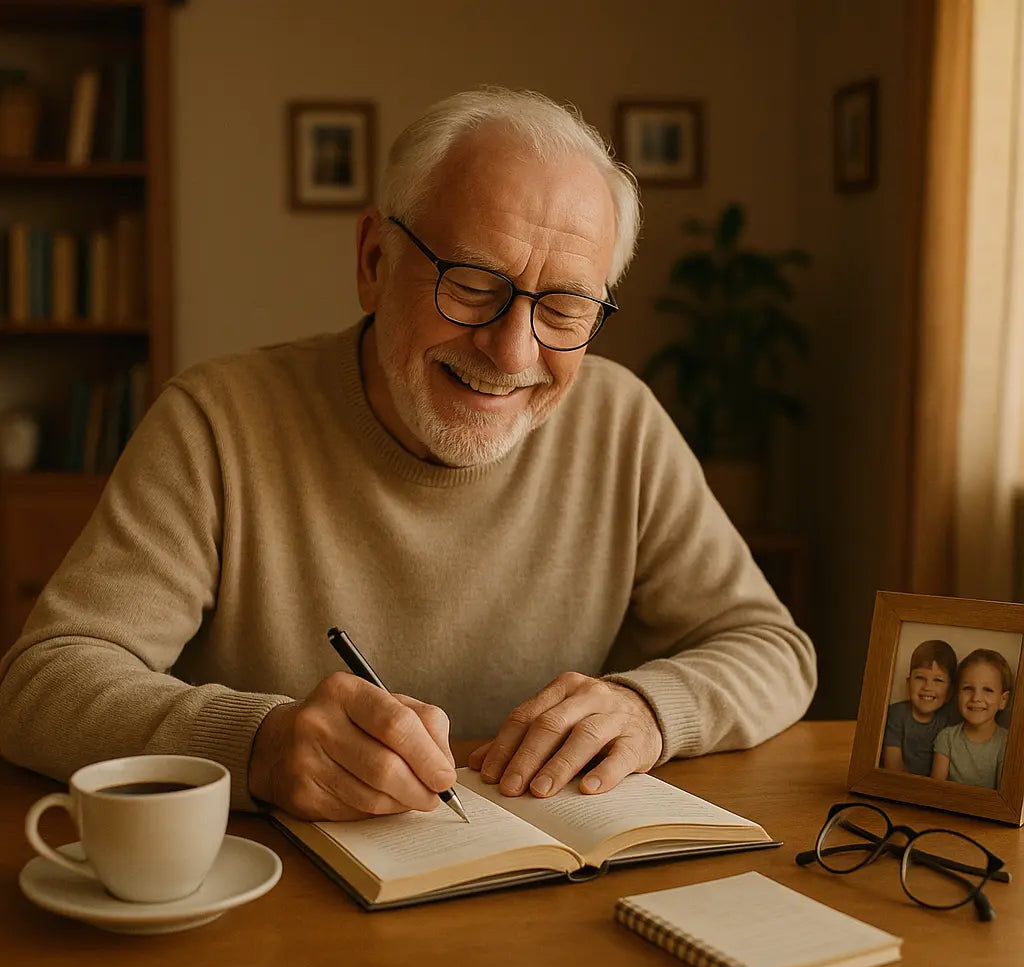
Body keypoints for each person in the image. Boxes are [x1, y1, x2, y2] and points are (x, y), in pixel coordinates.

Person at [0, 87, 816, 822]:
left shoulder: (620, 421)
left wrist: (649, 708)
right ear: (373, 262)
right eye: (473, 284)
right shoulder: (216, 422)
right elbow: (42, 684)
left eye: (566, 308)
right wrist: (258, 745)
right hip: (283, 896)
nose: (512, 351)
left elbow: (772, 648)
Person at [931, 649, 1013, 789]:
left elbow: (1004, 796)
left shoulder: (1007, 744)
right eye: (968, 688)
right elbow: (935, 790)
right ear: (957, 694)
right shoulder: (947, 738)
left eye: (987, 690)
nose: (976, 698)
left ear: (1003, 700)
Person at [880, 639, 958, 775]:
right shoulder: (896, 714)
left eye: (938, 680)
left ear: (949, 692)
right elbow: (892, 766)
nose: (927, 687)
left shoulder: (949, 721)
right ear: (908, 683)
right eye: (920, 678)